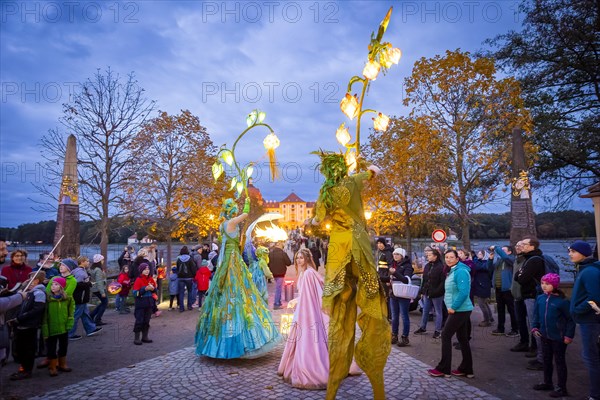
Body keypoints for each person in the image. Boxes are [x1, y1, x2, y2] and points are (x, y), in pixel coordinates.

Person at [311, 152, 389, 400]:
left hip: (337, 250)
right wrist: (363, 164)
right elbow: (377, 171)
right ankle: (378, 389)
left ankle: (332, 391)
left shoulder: (324, 192)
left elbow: (316, 219)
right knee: (371, 298)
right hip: (358, 245)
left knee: (340, 307)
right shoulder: (354, 180)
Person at [195, 198, 281, 359]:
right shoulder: (233, 222)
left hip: (226, 263)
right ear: (231, 210)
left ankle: (215, 343)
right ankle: (243, 341)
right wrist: (247, 201)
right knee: (239, 293)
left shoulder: (222, 225)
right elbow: (246, 214)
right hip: (234, 262)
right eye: (234, 208)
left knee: (225, 295)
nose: (236, 210)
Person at [278, 248, 361, 389]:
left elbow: (311, 296)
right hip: (302, 310)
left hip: (307, 312)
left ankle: (313, 369)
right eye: (297, 258)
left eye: (301, 258)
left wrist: (298, 301)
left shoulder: (309, 273)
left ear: (307, 259)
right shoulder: (305, 273)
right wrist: (296, 300)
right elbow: (306, 294)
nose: (299, 260)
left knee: (309, 339)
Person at [428, 250, 474, 378]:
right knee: (463, 339)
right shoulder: (453, 270)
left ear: (457, 259)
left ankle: (444, 369)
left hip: (460, 309)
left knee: (446, 335)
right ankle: (467, 369)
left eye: (451, 257)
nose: (448, 259)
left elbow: (464, 292)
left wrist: (453, 307)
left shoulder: (460, 272)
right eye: (446, 257)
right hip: (458, 309)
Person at [531, 273, 575, 398]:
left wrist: (568, 336)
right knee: (546, 360)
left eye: (547, 284)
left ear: (554, 285)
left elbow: (570, 319)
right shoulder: (540, 299)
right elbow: (536, 316)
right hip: (544, 335)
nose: (544, 286)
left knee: (560, 362)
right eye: (542, 283)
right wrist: (534, 327)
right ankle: (547, 382)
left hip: (559, 337)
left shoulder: (562, 302)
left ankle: (562, 388)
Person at [568, 240, 600, 400]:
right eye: (569, 251)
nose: (570, 254)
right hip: (588, 320)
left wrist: (577, 309)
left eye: (573, 251)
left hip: (590, 320)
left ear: (584, 253)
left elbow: (594, 297)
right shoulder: (585, 269)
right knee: (591, 356)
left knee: (591, 358)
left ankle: (595, 394)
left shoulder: (589, 272)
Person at [6, 271, 45, 380]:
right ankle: (23, 368)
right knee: (21, 348)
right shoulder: (29, 291)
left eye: (31, 279)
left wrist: (20, 318)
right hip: (22, 324)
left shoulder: (39, 293)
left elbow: (37, 310)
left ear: (36, 281)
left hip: (29, 325)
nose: (29, 282)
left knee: (28, 349)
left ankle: (27, 370)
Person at [514, 237, 546, 370]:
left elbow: (521, 278)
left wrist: (520, 274)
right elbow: (518, 276)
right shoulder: (529, 259)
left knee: (535, 326)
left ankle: (542, 359)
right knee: (533, 325)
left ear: (532, 246)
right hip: (530, 295)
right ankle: (540, 356)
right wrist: (520, 274)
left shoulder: (534, 260)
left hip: (533, 295)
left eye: (525, 244)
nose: (522, 247)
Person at [42, 276, 74, 377]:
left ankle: (62, 364)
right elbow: (44, 316)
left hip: (63, 327)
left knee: (63, 346)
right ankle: (52, 366)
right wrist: (45, 329)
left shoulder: (67, 298)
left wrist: (69, 322)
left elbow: (71, 311)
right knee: (51, 348)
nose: (53, 286)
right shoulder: (47, 299)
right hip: (51, 328)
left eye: (56, 284)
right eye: (52, 284)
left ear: (61, 287)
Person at [488, 245, 519, 337]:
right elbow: (489, 269)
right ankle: (500, 329)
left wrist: (496, 248)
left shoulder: (512, 259)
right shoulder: (499, 260)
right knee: (500, 310)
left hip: (508, 289)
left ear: (509, 252)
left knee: (512, 310)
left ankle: (515, 329)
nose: (501, 251)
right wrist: (490, 260)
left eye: (503, 250)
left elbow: (505, 256)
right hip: (498, 288)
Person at [414, 248, 445, 339]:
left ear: (435, 256)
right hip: (427, 292)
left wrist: (437, 292)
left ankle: (437, 330)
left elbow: (442, 282)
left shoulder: (441, 267)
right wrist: (422, 291)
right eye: (427, 255)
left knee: (438, 312)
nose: (428, 256)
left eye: (430, 255)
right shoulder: (427, 265)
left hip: (437, 293)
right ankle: (423, 327)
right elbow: (424, 279)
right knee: (425, 310)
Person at [68, 257, 102, 340]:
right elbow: (77, 285)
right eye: (87, 261)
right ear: (82, 262)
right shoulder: (81, 273)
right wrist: (88, 284)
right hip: (81, 297)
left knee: (85, 314)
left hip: (81, 297)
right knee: (76, 315)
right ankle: (70, 333)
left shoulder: (77, 271)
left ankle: (90, 329)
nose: (88, 262)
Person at [389, 247, 413, 347]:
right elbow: (390, 278)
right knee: (394, 317)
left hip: (403, 294)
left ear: (402, 256)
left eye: (397, 254)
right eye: (394, 254)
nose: (395, 256)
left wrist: (395, 273)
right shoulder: (393, 264)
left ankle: (405, 337)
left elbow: (406, 280)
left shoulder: (407, 266)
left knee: (404, 316)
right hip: (393, 294)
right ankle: (394, 335)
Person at [132, 263, 157, 345]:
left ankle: (145, 337)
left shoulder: (150, 279)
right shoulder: (138, 280)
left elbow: (155, 290)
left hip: (149, 303)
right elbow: (135, 294)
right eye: (145, 269)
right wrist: (145, 289)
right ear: (141, 270)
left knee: (147, 321)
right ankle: (136, 338)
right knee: (139, 321)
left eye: (148, 269)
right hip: (140, 304)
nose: (147, 271)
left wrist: (153, 289)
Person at [268, 241, 292, 309]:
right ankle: (276, 303)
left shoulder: (271, 253)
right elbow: (288, 263)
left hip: (273, 273)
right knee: (278, 288)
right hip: (281, 273)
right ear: (280, 245)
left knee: (278, 287)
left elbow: (268, 263)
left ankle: (279, 301)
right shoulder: (283, 253)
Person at [472, 250, 493, 327]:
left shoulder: (486, 263)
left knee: (482, 304)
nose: (478, 255)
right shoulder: (480, 261)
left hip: (483, 286)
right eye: (478, 253)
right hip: (481, 285)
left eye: (480, 254)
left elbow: (477, 267)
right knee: (485, 303)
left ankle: (486, 320)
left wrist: (475, 261)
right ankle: (490, 317)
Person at [176, 246, 197, 312]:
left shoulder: (178, 259)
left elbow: (177, 268)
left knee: (181, 292)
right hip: (189, 277)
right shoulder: (190, 259)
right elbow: (193, 268)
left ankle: (181, 307)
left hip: (180, 277)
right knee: (190, 291)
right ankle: (189, 306)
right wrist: (194, 275)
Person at [89, 255, 108, 326]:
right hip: (99, 289)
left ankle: (92, 315)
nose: (103, 261)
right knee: (105, 303)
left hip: (95, 288)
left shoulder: (92, 268)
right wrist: (102, 292)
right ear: (99, 261)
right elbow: (99, 281)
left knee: (103, 303)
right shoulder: (98, 270)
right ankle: (97, 319)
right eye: (102, 260)